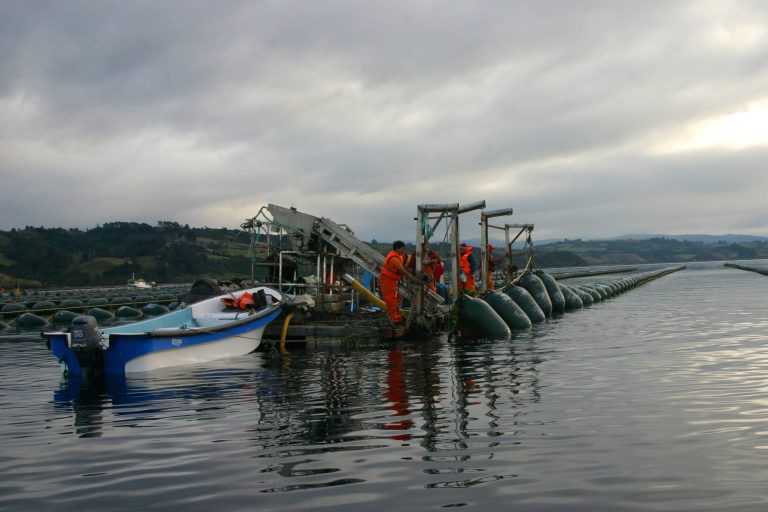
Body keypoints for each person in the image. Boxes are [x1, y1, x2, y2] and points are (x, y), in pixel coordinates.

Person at [380, 241, 418, 324]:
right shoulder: (394, 259)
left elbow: (403, 267)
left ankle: (397, 314)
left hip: (393, 279)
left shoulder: (399, 256)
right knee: (391, 298)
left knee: (396, 298)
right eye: (403, 248)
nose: (404, 250)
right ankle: (394, 317)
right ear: (398, 248)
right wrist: (410, 276)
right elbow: (401, 270)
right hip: (387, 279)